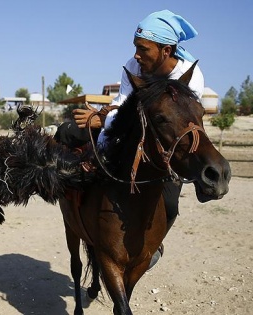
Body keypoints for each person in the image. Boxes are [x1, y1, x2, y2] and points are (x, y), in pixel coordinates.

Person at [55, 10, 205, 269]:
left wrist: (103, 121)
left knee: (169, 204)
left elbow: (172, 121)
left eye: (142, 48)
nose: (136, 54)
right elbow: (121, 103)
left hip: (167, 144)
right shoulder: (134, 66)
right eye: (135, 47)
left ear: (165, 51)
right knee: (67, 131)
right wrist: (100, 135)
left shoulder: (190, 78)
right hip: (128, 131)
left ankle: (154, 246)